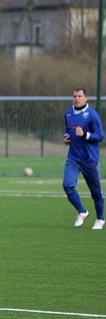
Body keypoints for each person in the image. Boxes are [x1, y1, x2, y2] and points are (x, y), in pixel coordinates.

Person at [63, 88, 105, 230]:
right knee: (67, 185)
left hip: (90, 159)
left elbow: (100, 136)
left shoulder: (92, 115)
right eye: (75, 96)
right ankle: (82, 211)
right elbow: (67, 129)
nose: (77, 98)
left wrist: (85, 134)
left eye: (80, 96)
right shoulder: (68, 113)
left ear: (85, 98)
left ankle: (100, 219)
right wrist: (66, 137)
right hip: (73, 158)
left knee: (96, 192)